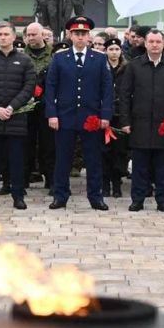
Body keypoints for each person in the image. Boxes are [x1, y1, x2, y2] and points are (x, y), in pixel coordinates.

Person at [44, 15, 113, 211]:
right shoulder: (59, 58)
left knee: (93, 159)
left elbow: (107, 90)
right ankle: (60, 196)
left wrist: (105, 115)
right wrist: (52, 114)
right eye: (77, 33)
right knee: (63, 159)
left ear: (88, 36)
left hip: (91, 117)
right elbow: (51, 87)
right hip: (65, 116)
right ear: (70, 35)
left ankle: (95, 197)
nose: (80, 37)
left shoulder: (99, 58)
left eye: (83, 33)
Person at [119, 28, 164, 212]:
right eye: (151, 42)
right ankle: (138, 200)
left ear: (163, 44)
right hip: (139, 124)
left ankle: (162, 200)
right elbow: (124, 96)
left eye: (158, 42)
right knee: (139, 166)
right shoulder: (134, 66)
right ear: (146, 43)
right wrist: (125, 121)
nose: (155, 45)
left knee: (162, 167)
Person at [0, 22, 37, 210]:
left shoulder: (25, 60)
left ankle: (18, 196)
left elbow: (28, 87)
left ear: (14, 37)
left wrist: (12, 107)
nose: (2, 37)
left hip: (16, 120)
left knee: (17, 161)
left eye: (6, 34)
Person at [23, 21, 55, 190]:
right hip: (25, 106)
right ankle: (24, 178)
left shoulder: (54, 55)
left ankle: (50, 178)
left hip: (47, 105)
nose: (30, 38)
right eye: (28, 35)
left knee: (48, 144)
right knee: (26, 144)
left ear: (43, 35)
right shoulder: (21, 54)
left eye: (34, 34)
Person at [102, 37, 129, 198]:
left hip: (120, 115)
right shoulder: (101, 67)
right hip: (104, 115)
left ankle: (117, 184)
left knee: (120, 152)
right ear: (106, 51)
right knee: (104, 151)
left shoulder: (127, 68)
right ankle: (105, 184)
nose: (114, 52)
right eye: (111, 49)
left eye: (116, 49)